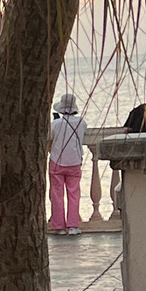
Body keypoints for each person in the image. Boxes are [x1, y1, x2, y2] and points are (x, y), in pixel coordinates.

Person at [49, 92, 87, 236]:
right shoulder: (82, 122)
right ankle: (73, 225)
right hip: (75, 161)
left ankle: (59, 226)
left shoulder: (56, 124)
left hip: (57, 161)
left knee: (57, 194)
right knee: (74, 193)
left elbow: (50, 137)